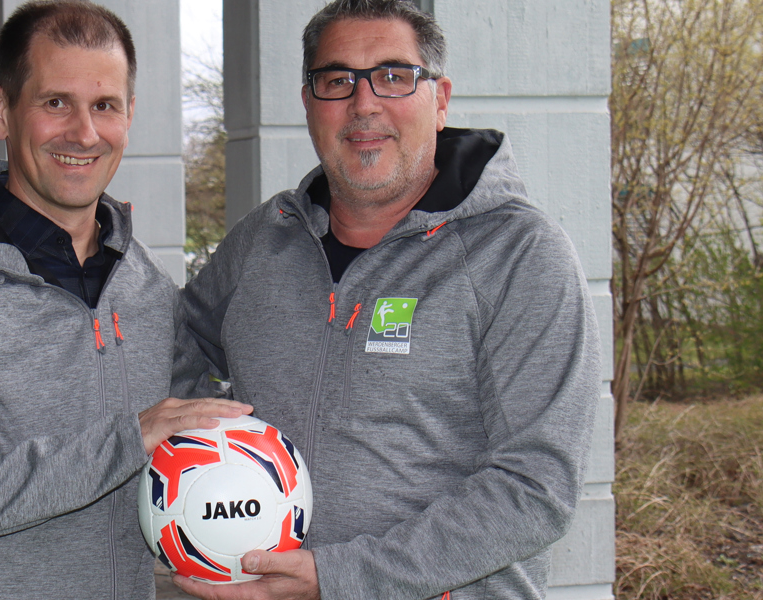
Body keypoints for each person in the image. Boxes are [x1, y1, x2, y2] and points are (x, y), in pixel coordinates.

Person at [173, 1, 601, 599]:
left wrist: (339, 578)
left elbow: (536, 487)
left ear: (441, 97)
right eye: (337, 80)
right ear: (308, 102)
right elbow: (171, 343)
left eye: (395, 76)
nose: (364, 103)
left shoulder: (519, 255)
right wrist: (213, 446)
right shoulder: (263, 240)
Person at [0, 2, 249, 599]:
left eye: (105, 106)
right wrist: (125, 442)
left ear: (130, 114)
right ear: (1, 110)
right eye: (55, 102)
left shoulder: (142, 284)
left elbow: (201, 426)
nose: (84, 134)